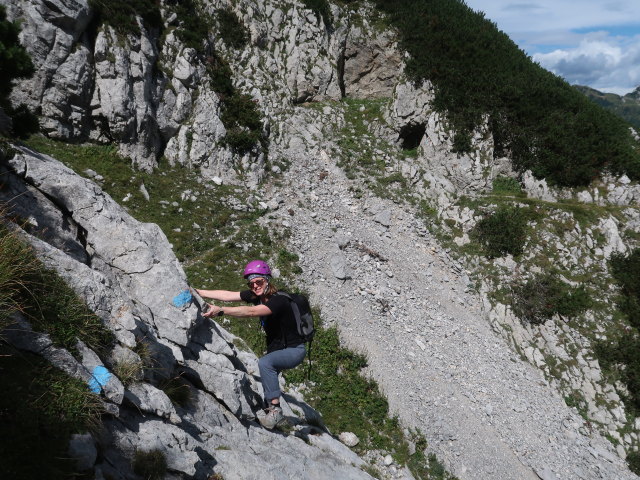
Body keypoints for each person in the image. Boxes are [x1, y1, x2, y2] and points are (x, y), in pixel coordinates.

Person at [194, 260, 306, 429]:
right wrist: (198, 292)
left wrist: (221, 310)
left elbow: (252, 312)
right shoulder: (257, 296)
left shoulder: (279, 301)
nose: (255, 286)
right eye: (251, 283)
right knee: (269, 369)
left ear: (267, 279)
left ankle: (275, 412)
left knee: (266, 363)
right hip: (279, 348)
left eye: (259, 281)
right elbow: (228, 295)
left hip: (295, 350)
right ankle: (274, 412)